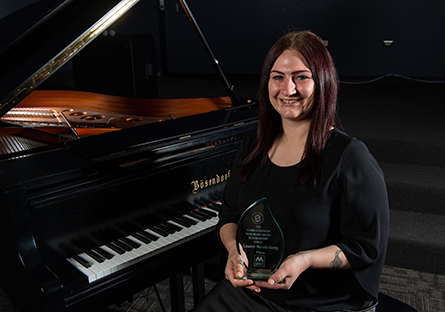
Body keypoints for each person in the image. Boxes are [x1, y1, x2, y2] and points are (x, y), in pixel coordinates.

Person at [192, 30, 389, 312]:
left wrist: (305, 260)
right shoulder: (252, 145)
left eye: (301, 77)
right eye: (278, 77)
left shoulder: (350, 156)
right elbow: (230, 215)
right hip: (254, 291)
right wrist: (234, 250)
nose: (288, 90)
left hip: (322, 301)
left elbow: (364, 247)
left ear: (323, 82)